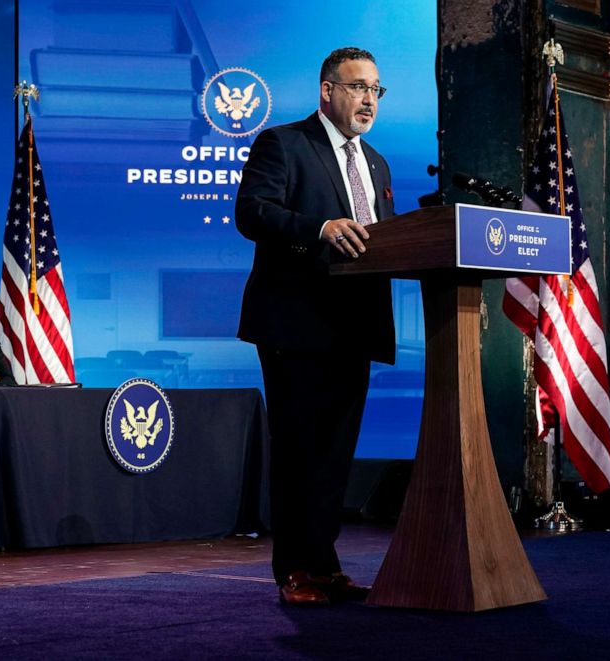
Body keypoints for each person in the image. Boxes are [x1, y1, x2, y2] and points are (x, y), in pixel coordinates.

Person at [235, 47, 396, 606]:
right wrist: (319, 228)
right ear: (327, 91)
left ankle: (325, 566)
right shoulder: (283, 144)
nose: (368, 100)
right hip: (296, 324)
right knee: (300, 449)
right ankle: (295, 571)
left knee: (333, 456)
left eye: (376, 89)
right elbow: (252, 213)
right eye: (357, 87)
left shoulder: (375, 162)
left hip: (356, 325)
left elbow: (386, 239)